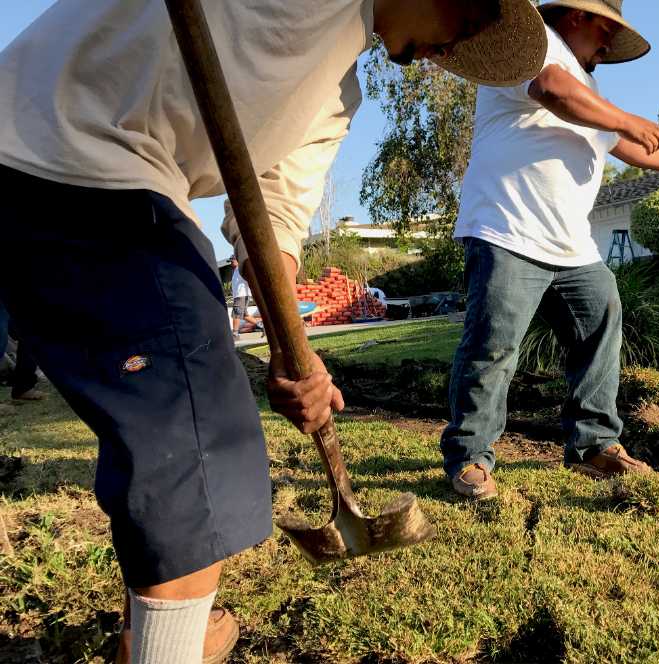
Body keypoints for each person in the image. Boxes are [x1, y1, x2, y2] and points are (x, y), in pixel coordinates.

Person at [0, 1, 546, 662]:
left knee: (174, 431)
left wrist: (297, 353)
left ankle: (160, 629)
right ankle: (170, 648)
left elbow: (274, 215)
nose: (441, 54)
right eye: (459, 30)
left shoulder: (334, 94)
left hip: (80, 171)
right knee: (200, 435)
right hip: (75, 162)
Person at [441, 0, 659, 500]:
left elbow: (612, 140)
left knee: (600, 326)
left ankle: (594, 447)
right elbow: (551, 90)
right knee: (492, 346)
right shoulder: (527, 47)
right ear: (578, 16)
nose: (607, 47)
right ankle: (469, 457)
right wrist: (627, 118)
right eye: (606, 31)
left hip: (571, 244)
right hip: (509, 228)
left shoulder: (586, 84)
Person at [229, 256, 260, 339]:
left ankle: (235, 334)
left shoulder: (241, 269)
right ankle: (262, 326)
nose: (231, 262)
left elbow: (250, 278)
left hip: (241, 295)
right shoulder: (235, 270)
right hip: (239, 295)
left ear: (237, 260)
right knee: (244, 315)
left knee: (236, 314)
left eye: (232, 260)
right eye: (230, 261)